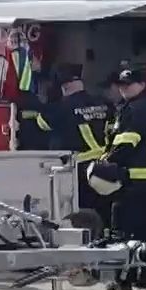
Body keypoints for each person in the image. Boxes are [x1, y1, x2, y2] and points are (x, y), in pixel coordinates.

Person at [106, 67, 146, 290]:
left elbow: (126, 142)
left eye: (129, 85)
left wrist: (107, 160)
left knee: (123, 230)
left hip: (133, 178)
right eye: (121, 85)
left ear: (142, 84)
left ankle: (124, 279)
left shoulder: (134, 109)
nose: (124, 89)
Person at [46, 63, 113, 225]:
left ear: (65, 87)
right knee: (106, 209)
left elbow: (43, 123)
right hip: (107, 165)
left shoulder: (63, 107)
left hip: (80, 168)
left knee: (84, 214)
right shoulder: (105, 103)